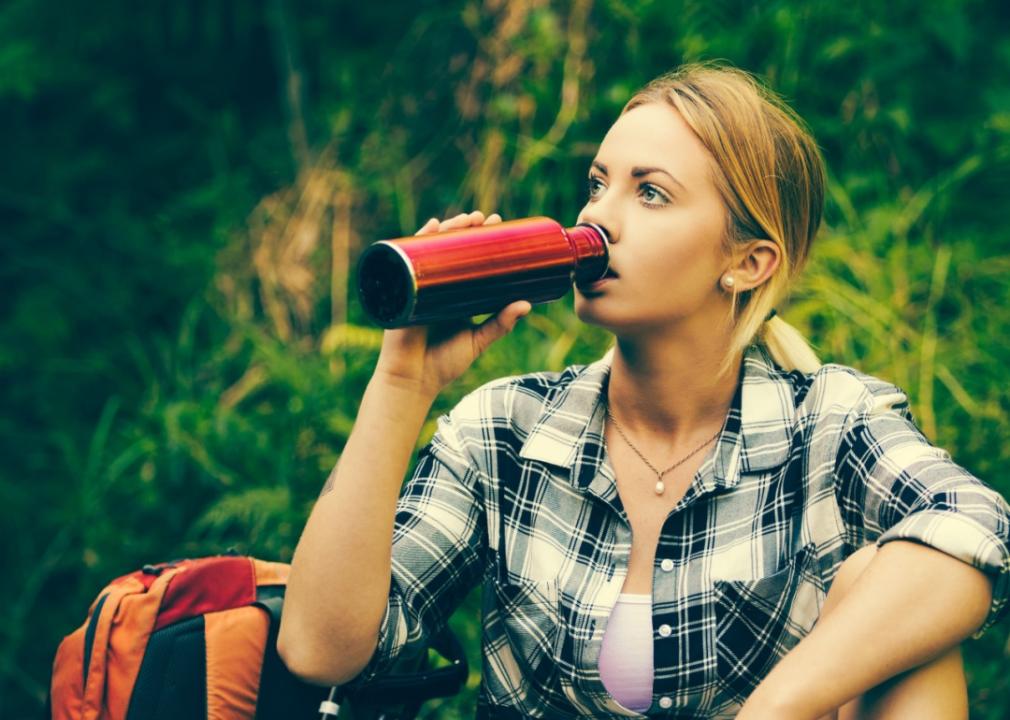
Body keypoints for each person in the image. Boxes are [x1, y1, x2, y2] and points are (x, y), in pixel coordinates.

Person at [277, 64, 1010, 719]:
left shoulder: (827, 421)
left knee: (892, 592)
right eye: (598, 183)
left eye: (650, 193)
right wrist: (402, 381)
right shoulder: (505, 430)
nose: (597, 216)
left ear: (748, 263)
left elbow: (974, 530)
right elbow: (319, 650)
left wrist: (779, 705)